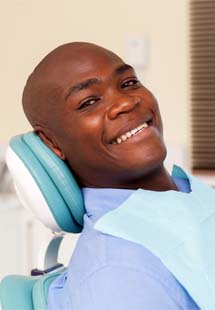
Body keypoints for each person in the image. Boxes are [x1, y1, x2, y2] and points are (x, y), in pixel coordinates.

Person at [22, 42, 199, 309]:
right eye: (89, 102)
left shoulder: (187, 193)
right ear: (52, 143)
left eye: (128, 83)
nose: (126, 102)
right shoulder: (120, 275)